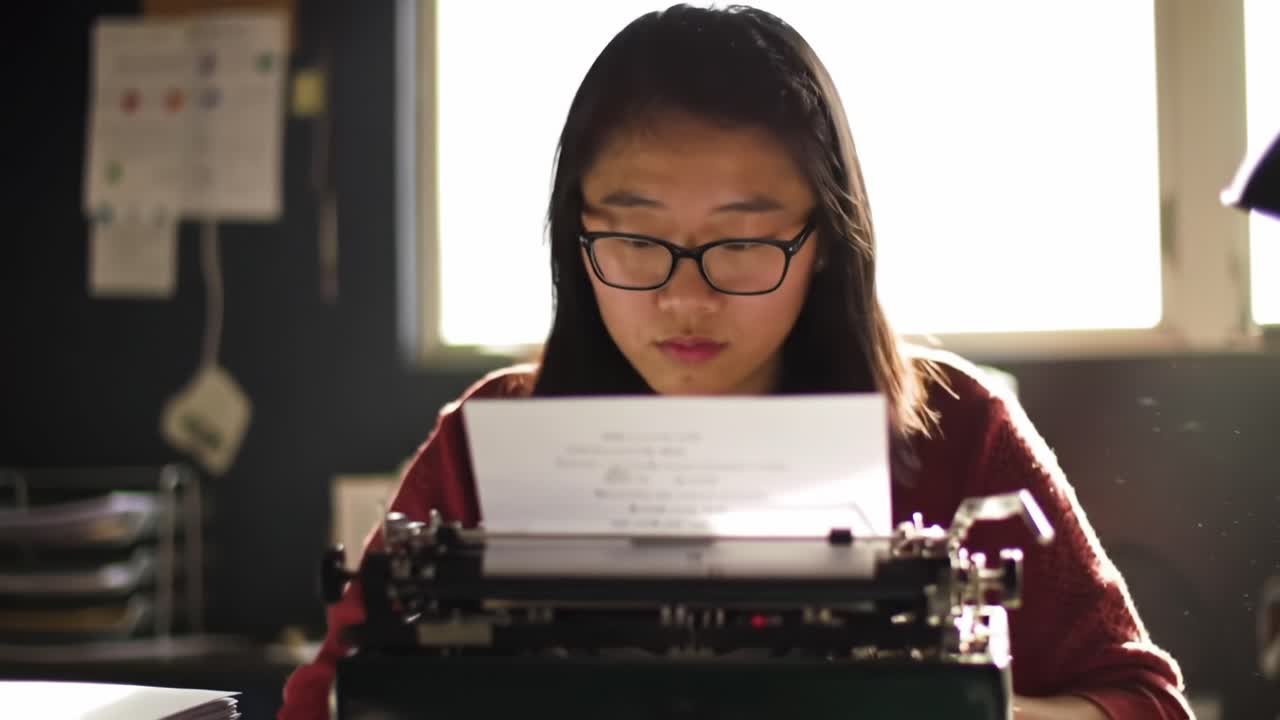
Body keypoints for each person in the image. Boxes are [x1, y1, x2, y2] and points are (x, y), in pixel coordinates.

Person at [279, 5, 1190, 718]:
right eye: (635, 238)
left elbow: (1147, 702)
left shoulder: (960, 426)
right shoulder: (488, 436)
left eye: (744, 243)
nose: (685, 297)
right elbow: (322, 702)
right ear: (575, 232)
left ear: (827, 240)